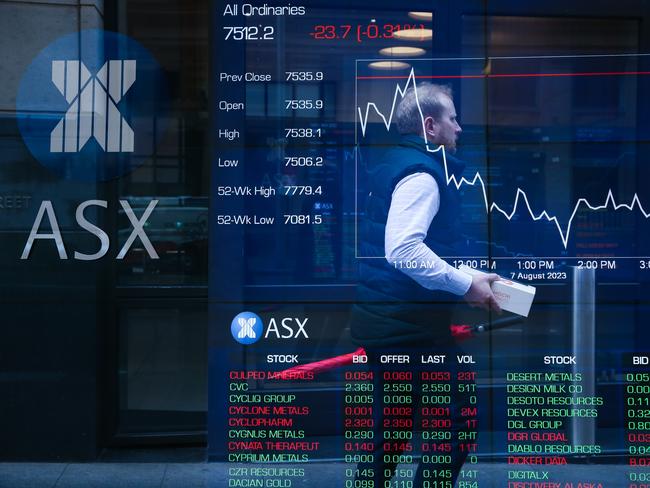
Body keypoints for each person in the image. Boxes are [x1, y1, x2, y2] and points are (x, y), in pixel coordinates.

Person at [351, 83, 501, 488]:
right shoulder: (422, 174)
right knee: (455, 423)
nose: (460, 127)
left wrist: (468, 276)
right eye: (453, 118)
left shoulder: (395, 162)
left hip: (392, 322)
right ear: (430, 126)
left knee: (393, 428)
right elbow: (403, 250)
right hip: (408, 329)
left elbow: (419, 247)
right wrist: (465, 286)